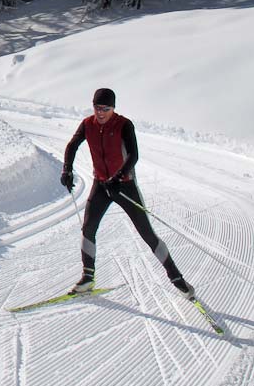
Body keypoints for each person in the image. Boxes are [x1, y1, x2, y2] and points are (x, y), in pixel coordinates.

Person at [60, 88, 195, 299]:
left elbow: (133, 155)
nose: (101, 112)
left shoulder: (124, 125)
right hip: (101, 185)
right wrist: (67, 169)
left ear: (113, 108)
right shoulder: (87, 124)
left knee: (147, 233)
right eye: (97, 107)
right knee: (88, 228)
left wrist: (117, 177)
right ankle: (87, 278)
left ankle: (177, 278)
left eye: (106, 108)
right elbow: (72, 146)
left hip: (124, 185)